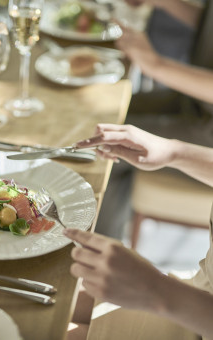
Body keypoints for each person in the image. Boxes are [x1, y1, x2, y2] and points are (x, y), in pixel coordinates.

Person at [66, 123, 213, 340]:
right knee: (45, 300)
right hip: (199, 294)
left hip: (195, 314)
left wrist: (156, 290)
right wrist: (173, 152)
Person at [96, 0, 213, 239]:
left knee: (108, 148)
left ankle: (98, 253)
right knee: (105, 115)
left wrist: (155, 65)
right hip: (196, 102)